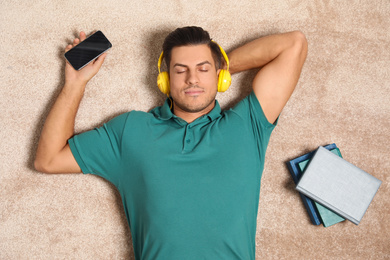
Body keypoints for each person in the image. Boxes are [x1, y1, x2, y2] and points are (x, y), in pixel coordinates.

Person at [34, 26, 307, 259]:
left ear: (219, 74)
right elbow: (48, 159)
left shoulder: (248, 124)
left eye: (202, 69)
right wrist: (74, 84)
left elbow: (293, 44)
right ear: (164, 79)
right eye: (181, 71)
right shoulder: (130, 130)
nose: (192, 78)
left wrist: (219, 71)